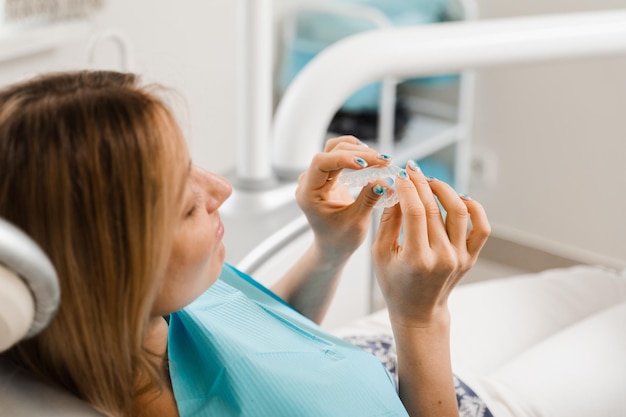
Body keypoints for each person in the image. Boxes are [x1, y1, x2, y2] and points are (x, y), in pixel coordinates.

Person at [3, 71, 624, 417]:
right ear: (111, 270)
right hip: (448, 397)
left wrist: (330, 249)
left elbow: (253, 348)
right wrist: (423, 317)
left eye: (195, 167)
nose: (218, 189)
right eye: (188, 203)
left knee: (606, 283)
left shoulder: (145, 316)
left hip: (367, 353)